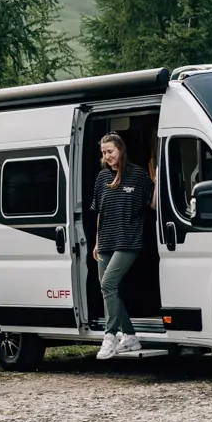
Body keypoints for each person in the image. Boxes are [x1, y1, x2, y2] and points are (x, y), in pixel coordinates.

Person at [93, 132, 154, 362]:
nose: (107, 156)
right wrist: (97, 242)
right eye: (104, 153)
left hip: (128, 240)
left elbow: (154, 203)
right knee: (108, 288)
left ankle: (110, 337)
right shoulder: (101, 178)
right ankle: (129, 336)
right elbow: (100, 212)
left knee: (108, 283)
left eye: (110, 151)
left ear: (121, 150)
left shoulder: (137, 175)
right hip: (107, 240)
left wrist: (158, 179)